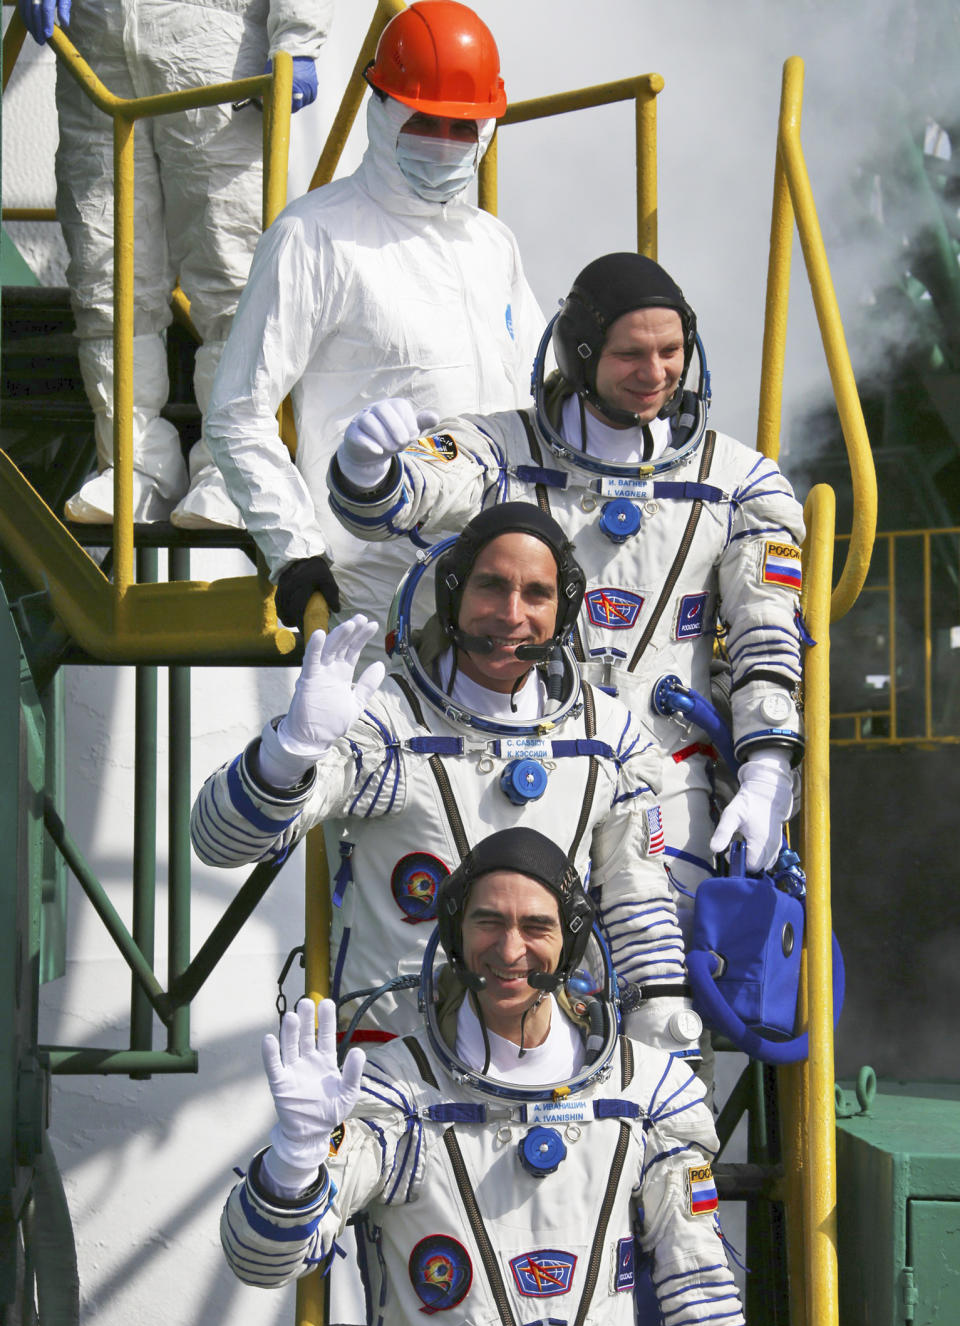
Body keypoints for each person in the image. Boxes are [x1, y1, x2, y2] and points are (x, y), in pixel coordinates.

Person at [220, 829, 765, 1326]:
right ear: (454, 933)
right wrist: (295, 1161)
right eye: (487, 922)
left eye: (536, 926)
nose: (510, 950)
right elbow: (259, 1263)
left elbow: (698, 1283)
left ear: (571, 939)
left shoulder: (647, 1094)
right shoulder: (398, 1094)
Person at [325, 252, 806, 926]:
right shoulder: (499, 449)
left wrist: (767, 770)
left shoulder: (740, 484)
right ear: (580, 357)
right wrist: (366, 465)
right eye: (630, 355)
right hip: (510, 774)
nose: (656, 373)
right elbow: (390, 505)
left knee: (661, 997)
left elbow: (767, 635)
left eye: (671, 351)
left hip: (667, 785)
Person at [191, 503, 702, 1061]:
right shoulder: (387, 728)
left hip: (554, 1066)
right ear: (453, 595)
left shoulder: (610, 740)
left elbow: (640, 913)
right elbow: (219, 843)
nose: (512, 614)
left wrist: (664, 1054)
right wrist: (288, 753)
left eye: (536, 594)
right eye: (491, 586)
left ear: (566, 608)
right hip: (397, 1076)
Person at [199, 0, 545, 638]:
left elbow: (538, 399)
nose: (444, 146)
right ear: (382, 110)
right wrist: (294, 549)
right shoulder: (315, 235)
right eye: (426, 122)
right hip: (374, 590)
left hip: (505, 591)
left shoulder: (494, 245)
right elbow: (237, 410)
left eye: (462, 128)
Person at [21, 0, 333, 526]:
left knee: (231, 275)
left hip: (213, 45)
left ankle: (229, 473)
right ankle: (131, 468)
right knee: (108, 274)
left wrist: (297, 40)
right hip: (94, 48)